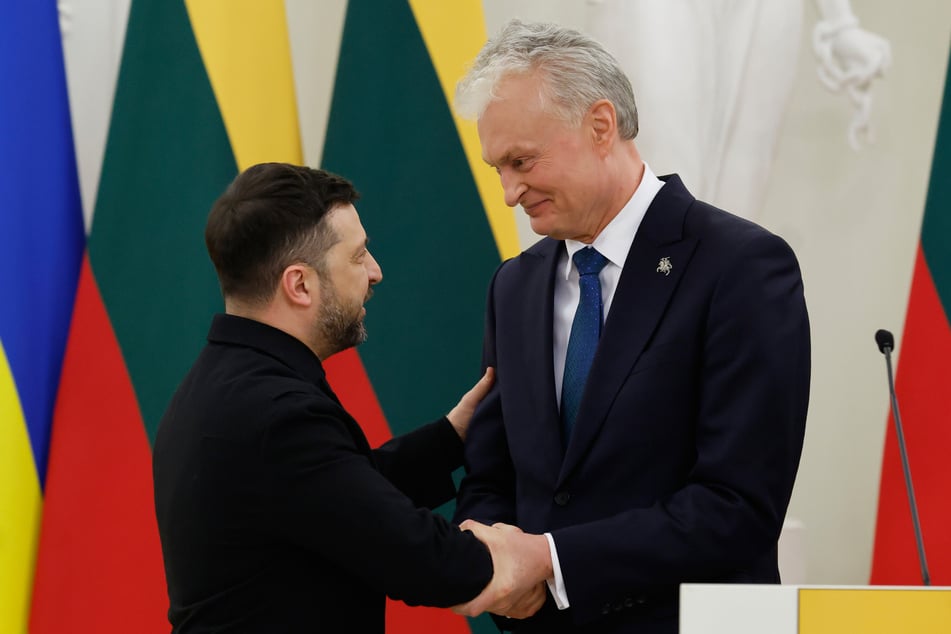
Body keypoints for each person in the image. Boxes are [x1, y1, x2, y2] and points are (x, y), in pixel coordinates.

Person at [451, 20, 811, 633]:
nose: (510, 192)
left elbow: (739, 506)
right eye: (497, 169)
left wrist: (552, 561)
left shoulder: (740, 265)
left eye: (522, 161)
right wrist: (493, 555)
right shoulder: (513, 286)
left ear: (599, 125)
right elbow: (491, 476)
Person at [152, 162, 543, 632]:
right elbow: (423, 560)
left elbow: (338, 498)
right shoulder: (277, 415)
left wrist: (453, 435)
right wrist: (541, 559)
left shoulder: (226, 384)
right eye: (358, 257)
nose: (375, 273)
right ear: (300, 284)